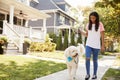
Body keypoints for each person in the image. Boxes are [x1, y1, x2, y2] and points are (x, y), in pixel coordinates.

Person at [79, 11, 105, 80]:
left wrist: (103, 45)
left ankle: (94, 74)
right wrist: (81, 32)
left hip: (96, 45)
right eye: (91, 18)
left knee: (95, 60)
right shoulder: (88, 25)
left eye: (93, 18)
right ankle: (87, 74)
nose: (92, 19)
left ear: (96, 18)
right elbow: (87, 35)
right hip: (88, 44)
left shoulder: (100, 24)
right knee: (87, 58)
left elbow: (102, 36)